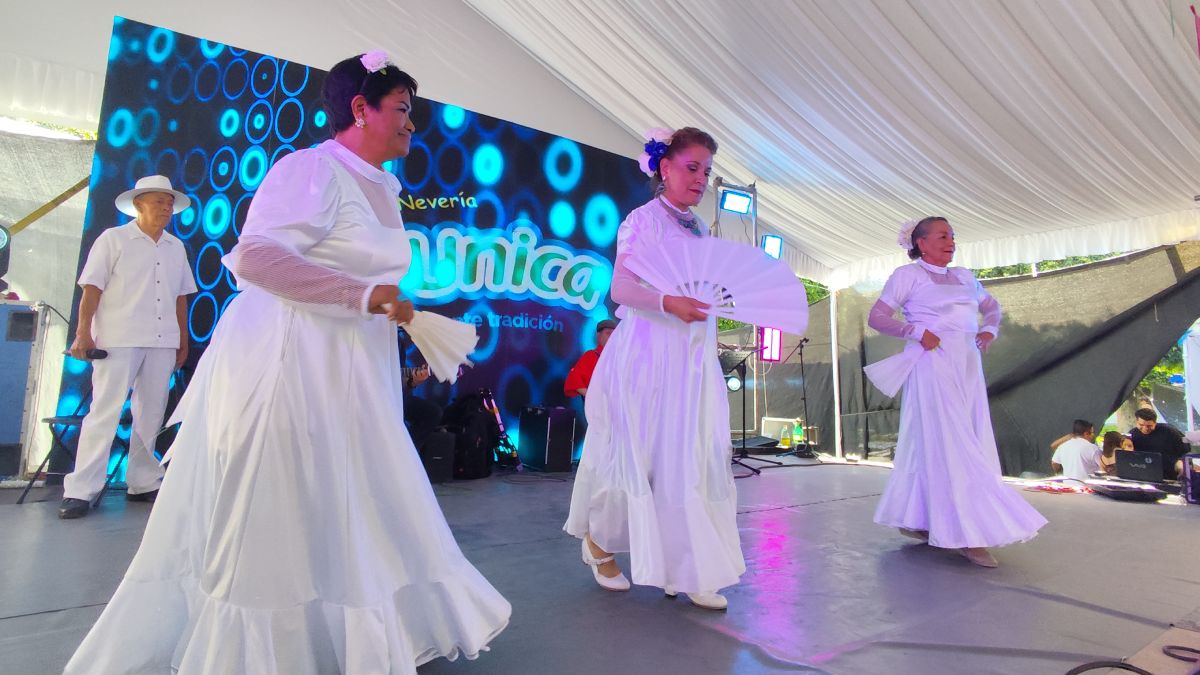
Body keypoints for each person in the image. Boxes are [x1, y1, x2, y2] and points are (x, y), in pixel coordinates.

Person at [64, 52, 509, 674]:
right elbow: (257, 260)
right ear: (361, 109)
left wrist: (382, 303)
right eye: (403, 109)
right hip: (290, 359)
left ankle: (333, 636)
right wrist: (359, 295)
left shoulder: (381, 182)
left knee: (344, 498)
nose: (413, 123)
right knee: (275, 504)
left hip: (350, 364)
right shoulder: (312, 169)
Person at [564, 127, 743, 611]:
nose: (701, 178)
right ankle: (598, 544)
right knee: (635, 456)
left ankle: (686, 566)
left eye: (707, 171)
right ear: (664, 168)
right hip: (647, 354)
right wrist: (668, 301)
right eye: (692, 167)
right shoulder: (641, 221)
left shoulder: (701, 229)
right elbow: (621, 289)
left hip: (690, 358)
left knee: (689, 458)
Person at [867, 216, 1046, 568]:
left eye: (953, 236)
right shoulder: (908, 276)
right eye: (943, 235)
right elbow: (878, 317)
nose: (951, 241)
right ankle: (968, 532)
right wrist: (915, 331)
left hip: (967, 365)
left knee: (959, 437)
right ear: (921, 242)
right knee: (953, 441)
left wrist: (989, 329)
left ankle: (920, 516)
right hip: (932, 363)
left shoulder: (965, 276)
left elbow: (991, 307)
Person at [59, 175, 196, 519]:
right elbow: (91, 288)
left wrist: (182, 337)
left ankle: (143, 480)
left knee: (151, 412)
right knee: (104, 412)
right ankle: (80, 490)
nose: (166, 208)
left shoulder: (175, 246)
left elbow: (180, 297)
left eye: (169, 203)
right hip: (119, 336)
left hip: (162, 339)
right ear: (138, 204)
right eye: (158, 201)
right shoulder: (113, 239)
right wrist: (83, 333)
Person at [563, 319, 617, 401]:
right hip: (598, 411)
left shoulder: (618, 358)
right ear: (598, 335)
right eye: (608, 333)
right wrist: (593, 399)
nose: (611, 337)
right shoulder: (591, 355)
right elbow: (574, 378)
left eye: (614, 334)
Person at [1129, 408, 1188, 480]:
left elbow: (1185, 450)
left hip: (1170, 473)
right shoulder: (1132, 434)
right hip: (1144, 473)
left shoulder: (1169, 431)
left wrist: (1181, 463)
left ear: (1155, 423)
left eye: (1149, 426)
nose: (1145, 428)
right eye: (1141, 425)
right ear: (1136, 422)